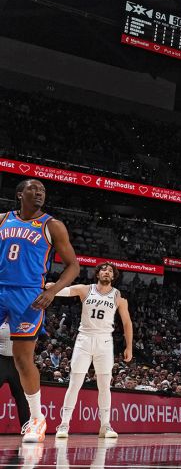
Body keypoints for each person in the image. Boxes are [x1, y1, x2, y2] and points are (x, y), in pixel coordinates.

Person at [0, 179, 80, 443]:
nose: (40, 194)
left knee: (23, 359)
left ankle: (36, 419)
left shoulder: (52, 225)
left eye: (43, 191)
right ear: (20, 193)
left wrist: (52, 291)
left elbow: (73, 266)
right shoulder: (2, 220)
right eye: (34, 190)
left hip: (27, 295)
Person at [51, 263, 133, 438]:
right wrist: (51, 287)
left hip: (104, 342)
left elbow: (127, 323)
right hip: (84, 340)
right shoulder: (85, 289)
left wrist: (129, 347)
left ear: (113, 276)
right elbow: (62, 291)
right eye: (104, 269)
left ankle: (105, 426)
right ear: (98, 273)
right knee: (74, 384)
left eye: (110, 271)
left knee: (104, 387)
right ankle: (64, 424)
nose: (107, 272)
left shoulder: (118, 296)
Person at [0, 322, 29, 428]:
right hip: (1, 360)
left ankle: (26, 427)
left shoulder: (21, 322)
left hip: (16, 363)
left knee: (21, 396)